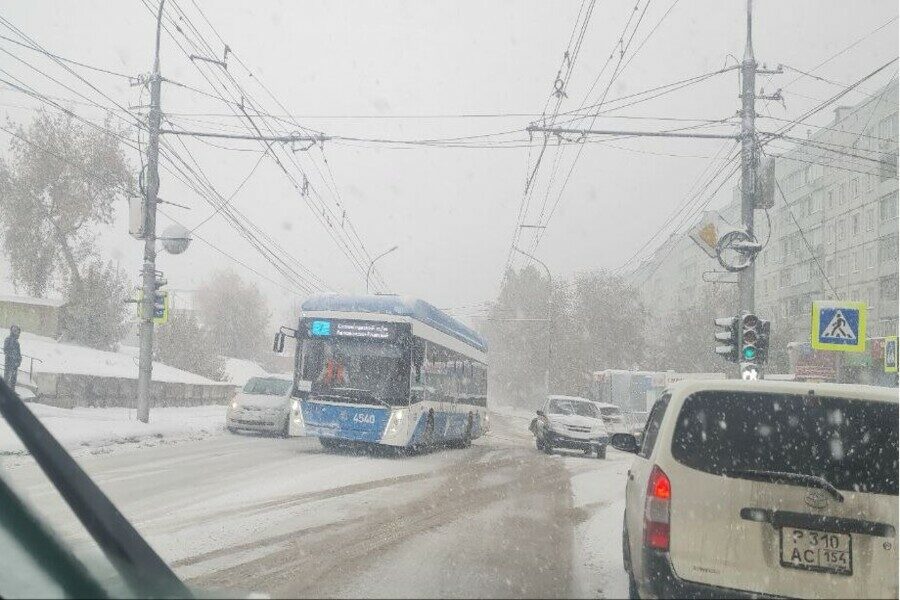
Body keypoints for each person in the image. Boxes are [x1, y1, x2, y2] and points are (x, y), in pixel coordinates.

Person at [3, 325, 22, 390]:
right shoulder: (8, 339)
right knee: (7, 378)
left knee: (13, 380)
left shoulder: (16, 342)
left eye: (18, 332)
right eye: (16, 332)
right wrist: (13, 358)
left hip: (15, 364)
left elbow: (18, 353)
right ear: (12, 332)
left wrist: (19, 360)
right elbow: (6, 350)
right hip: (9, 363)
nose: (18, 334)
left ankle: (12, 393)